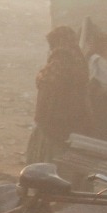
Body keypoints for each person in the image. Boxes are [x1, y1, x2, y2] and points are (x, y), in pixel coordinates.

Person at [26, 25, 92, 164]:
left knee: (50, 160)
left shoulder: (59, 62)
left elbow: (47, 92)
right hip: (77, 119)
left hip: (55, 121)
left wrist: (42, 119)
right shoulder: (79, 59)